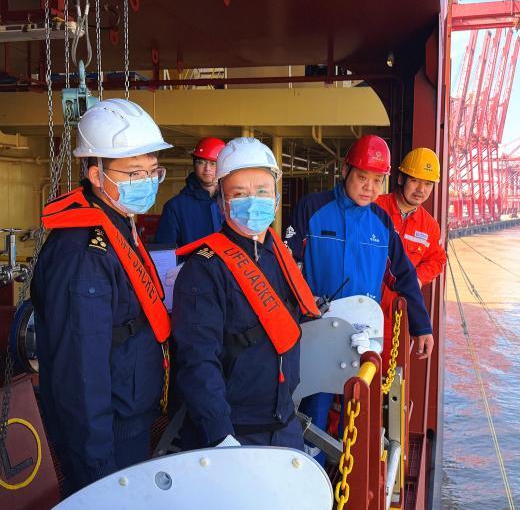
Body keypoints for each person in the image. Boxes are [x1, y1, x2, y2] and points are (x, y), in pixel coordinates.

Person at [31, 99, 172, 495]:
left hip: (129, 414)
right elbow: (80, 368)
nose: (147, 181)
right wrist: (96, 465)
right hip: (106, 434)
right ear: (96, 174)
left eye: (153, 171)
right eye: (134, 173)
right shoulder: (83, 254)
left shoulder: (116, 225)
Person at [285, 135, 434, 459]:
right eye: (362, 177)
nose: (369, 187)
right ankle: (313, 468)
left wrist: (422, 326)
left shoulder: (381, 222)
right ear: (345, 171)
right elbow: (287, 264)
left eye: (377, 180)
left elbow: (404, 276)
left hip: (362, 337)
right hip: (317, 329)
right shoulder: (312, 209)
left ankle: (345, 471)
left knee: (357, 406)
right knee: (315, 405)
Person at [172, 137, 320, 450]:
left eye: (262, 191)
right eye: (239, 194)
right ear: (222, 202)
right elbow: (198, 359)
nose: (253, 201)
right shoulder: (204, 269)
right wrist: (219, 433)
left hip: (283, 422)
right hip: (234, 432)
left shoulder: (278, 255)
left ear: (276, 198)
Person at [375, 147, 446, 370]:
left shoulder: (429, 225)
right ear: (400, 178)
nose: (421, 190)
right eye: (415, 181)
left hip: (396, 315)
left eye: (428, 184)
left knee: (386, 376)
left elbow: (437, 260)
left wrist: (416, 278)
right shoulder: (375, 208)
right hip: (364, 304)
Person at [155, 137, 226, 246]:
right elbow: (164, 251)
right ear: (194, 164)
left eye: (213, 163)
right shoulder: (175, 207)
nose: (207, 168)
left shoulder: (234, 201)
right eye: (201, 162)